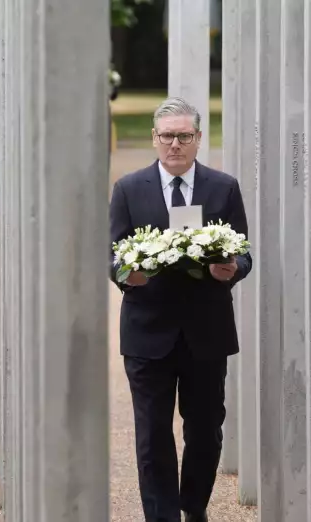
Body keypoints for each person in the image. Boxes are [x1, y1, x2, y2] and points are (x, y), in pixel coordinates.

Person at [108, 97, 253, 522]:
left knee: (206, 429)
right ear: (155, 138)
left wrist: (233, 269)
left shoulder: (222, 188)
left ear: (198, 140)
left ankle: (194, 505)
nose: (175, 145)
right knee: (152, 433)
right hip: (147, 329)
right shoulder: (128, 189)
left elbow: (244, 252)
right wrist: (124, 274)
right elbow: (113, 254)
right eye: (168, 136)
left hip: (206, 329)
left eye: (184, 136)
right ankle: (162, 514)